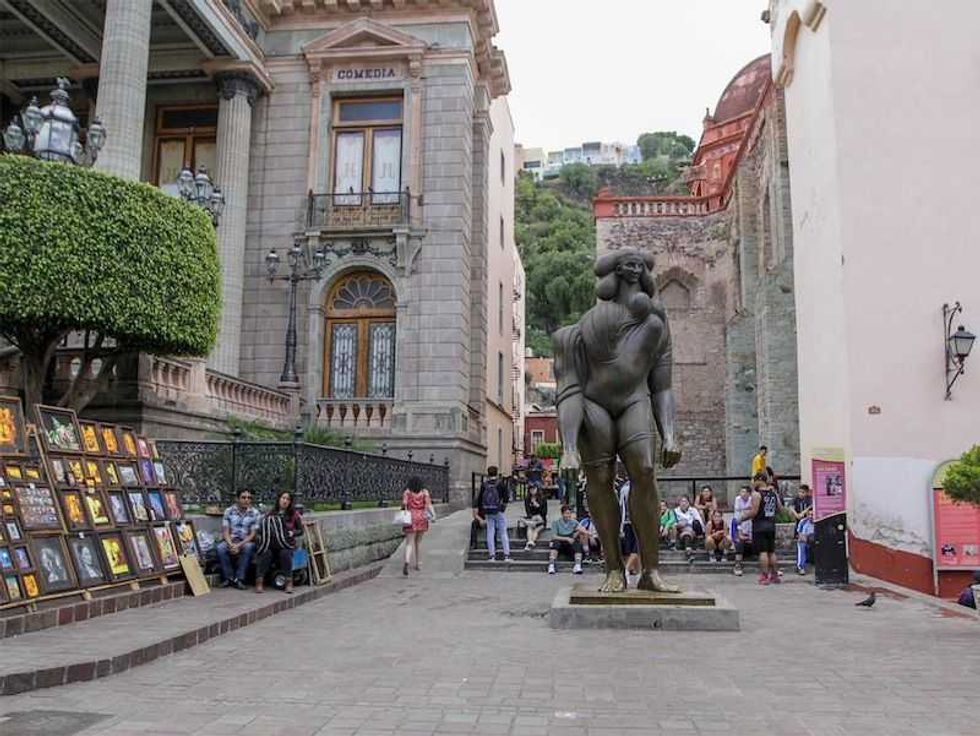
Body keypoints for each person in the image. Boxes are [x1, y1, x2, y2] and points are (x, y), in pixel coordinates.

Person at [255, 491, 303, 593]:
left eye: (288, 499)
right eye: (283, 498)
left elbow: (300, 530)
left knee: (285, 553)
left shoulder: (294, 514)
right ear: (279, 499)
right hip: (272, 544)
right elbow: (262, 527)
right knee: (265, 553)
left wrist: (292, 533)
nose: (285, 501)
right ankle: (259, 581)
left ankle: (289, 582)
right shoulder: (271, 513)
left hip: (287, 544)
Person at [217, 489, 260, 589]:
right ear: (237, 499)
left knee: (248, 547)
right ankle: (229, 578)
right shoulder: (229, 511)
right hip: (231, 540)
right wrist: (231, 544)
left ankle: (240, 579)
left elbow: (252, 534)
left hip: (246, 541)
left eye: (249, 498)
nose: (246, 500)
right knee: (220, 548)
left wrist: (239, 545)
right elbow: (225, 531)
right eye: (243, 497)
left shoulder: (255, 513)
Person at [742, 480, 781, 584]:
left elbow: (754, 512)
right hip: (771, 524)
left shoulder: (757, 494)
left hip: (760, 525)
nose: (752, 483)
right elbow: (779, 509)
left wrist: (742, 518)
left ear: (759, 480)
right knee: (771, 551)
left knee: (763, 552)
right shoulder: (773, 493)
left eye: (754, 481)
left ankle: (764, 576)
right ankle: (775, 575)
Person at [472, 466, 512, 563]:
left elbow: (480, 499)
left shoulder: (484, 484)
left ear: (488, 474)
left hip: (488, 511)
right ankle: (506, 555)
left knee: (490, 532)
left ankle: (492, 556)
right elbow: (506, 498)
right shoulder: (501, 484)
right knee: (503, 532)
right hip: (498, 511)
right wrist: (502, 509)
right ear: (497, 473)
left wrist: (483, 510)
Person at [401, 475, 434, 575]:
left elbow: (404, 504)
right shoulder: (424, 492)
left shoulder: (407, 492)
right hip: (422, 518)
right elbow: (428, 505)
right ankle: (418, 563)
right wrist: (433, 515)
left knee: (409, 542)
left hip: (410, 517)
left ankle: (407, 561)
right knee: (418, 542)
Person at [547, 504, 584, 575]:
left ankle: (577, 565)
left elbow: (580, 529)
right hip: (560, 540)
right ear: (562, 514)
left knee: (577, 544)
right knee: (555, 543)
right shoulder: (556, 522)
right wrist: (566, 539)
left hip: (570, 542)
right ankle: (551, 565)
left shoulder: (574, 522)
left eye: (570, 513)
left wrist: (579, 531)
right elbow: (554, 536)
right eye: (567, 513)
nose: (568, 515)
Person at [619, 480, 639, 584]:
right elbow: (622, 507)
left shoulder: (623, 488)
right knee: (636, 548)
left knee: (633, 548)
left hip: (628, 522)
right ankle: (626, 569)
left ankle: (636, 571)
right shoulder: (628, 488)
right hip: (634, 522)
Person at [732, 485, 754, 577]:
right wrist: (740, 535)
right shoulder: (738, 500)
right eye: (741, 492)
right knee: (739, 542)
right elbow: (738, 514)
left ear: (749, 494)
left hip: (751, 535)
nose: (742, 494)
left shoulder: (752, 500)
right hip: (742, 534)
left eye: (744, 492)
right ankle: (737, 565)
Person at [792, 484, 814, 574]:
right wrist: (796, 514)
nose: (800, 494)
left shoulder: (810, 499)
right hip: (801, 524)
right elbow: (791, 507)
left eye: (803, 492)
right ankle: (800, 566)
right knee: (801, 543)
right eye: (799, 492)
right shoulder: (796, 499)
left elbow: (810, 507)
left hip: (809, 524)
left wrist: (803, 513)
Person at [519, 485, 547, 550]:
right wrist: (532, 517)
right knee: (530, 527)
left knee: (536, 530)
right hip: (532, 520)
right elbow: (528, 511)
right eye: (531, 489)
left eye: (534, 489)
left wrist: (537, 505)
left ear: (537, 489)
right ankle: (530, 542)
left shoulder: (542, 498)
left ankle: (530, 543)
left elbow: (544, 512)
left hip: (541, 520)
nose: (532, 491)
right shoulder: (527, 499)